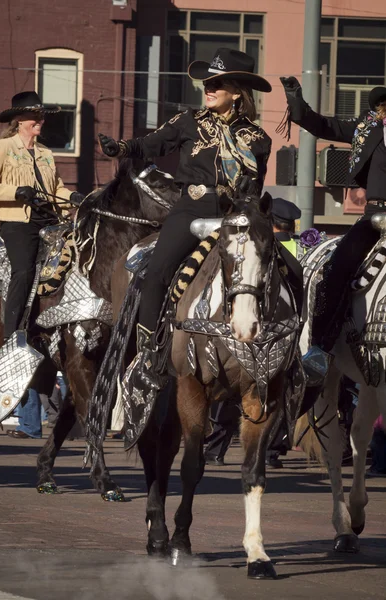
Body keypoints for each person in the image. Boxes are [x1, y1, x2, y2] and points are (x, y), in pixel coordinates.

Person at [99, 48, 272, 385]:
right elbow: (151, 144)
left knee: (264, 273)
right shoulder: (187, 121)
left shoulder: (258, 140)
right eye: (207, 82)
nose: (208, 88)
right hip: (189, 211)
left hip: (231, 219)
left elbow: (252, 192)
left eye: (217, 83)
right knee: (158, 273)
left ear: (237, 92)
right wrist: (120, 148)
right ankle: (148, 357)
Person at [279, 77, 386, 382]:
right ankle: (320, 350)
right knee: (336, 269)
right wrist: (295, 98)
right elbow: (320, 125)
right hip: (375, 216)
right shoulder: (368, 128)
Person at [0, 91, 85, 342]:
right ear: (19, 120)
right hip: (19, 223)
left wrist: (72, 197)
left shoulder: (45, 153)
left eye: (41, 116)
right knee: (24, 269)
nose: (40, 120)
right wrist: (16, 192)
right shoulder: (3, 148)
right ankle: (13, 334)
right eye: (34, 116)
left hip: (50, 221)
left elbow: (56, 189)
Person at [204, 197, 305, 468]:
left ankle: (216, 449)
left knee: (234, 392)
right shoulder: (294, 247)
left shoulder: (271, 242)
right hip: (272, 333)